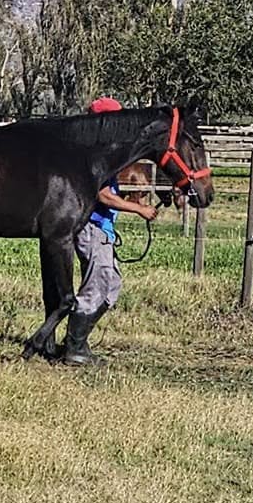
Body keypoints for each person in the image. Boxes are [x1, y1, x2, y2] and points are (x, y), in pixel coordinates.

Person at [61, 96, 160, 368]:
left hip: (102, 229)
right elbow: (103, 195)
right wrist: (137, 209)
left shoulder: (107, 154)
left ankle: (79, 340)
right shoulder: (94, 156)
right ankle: (74, 347)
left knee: (111, 287)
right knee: (97, 284)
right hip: (92, 227)